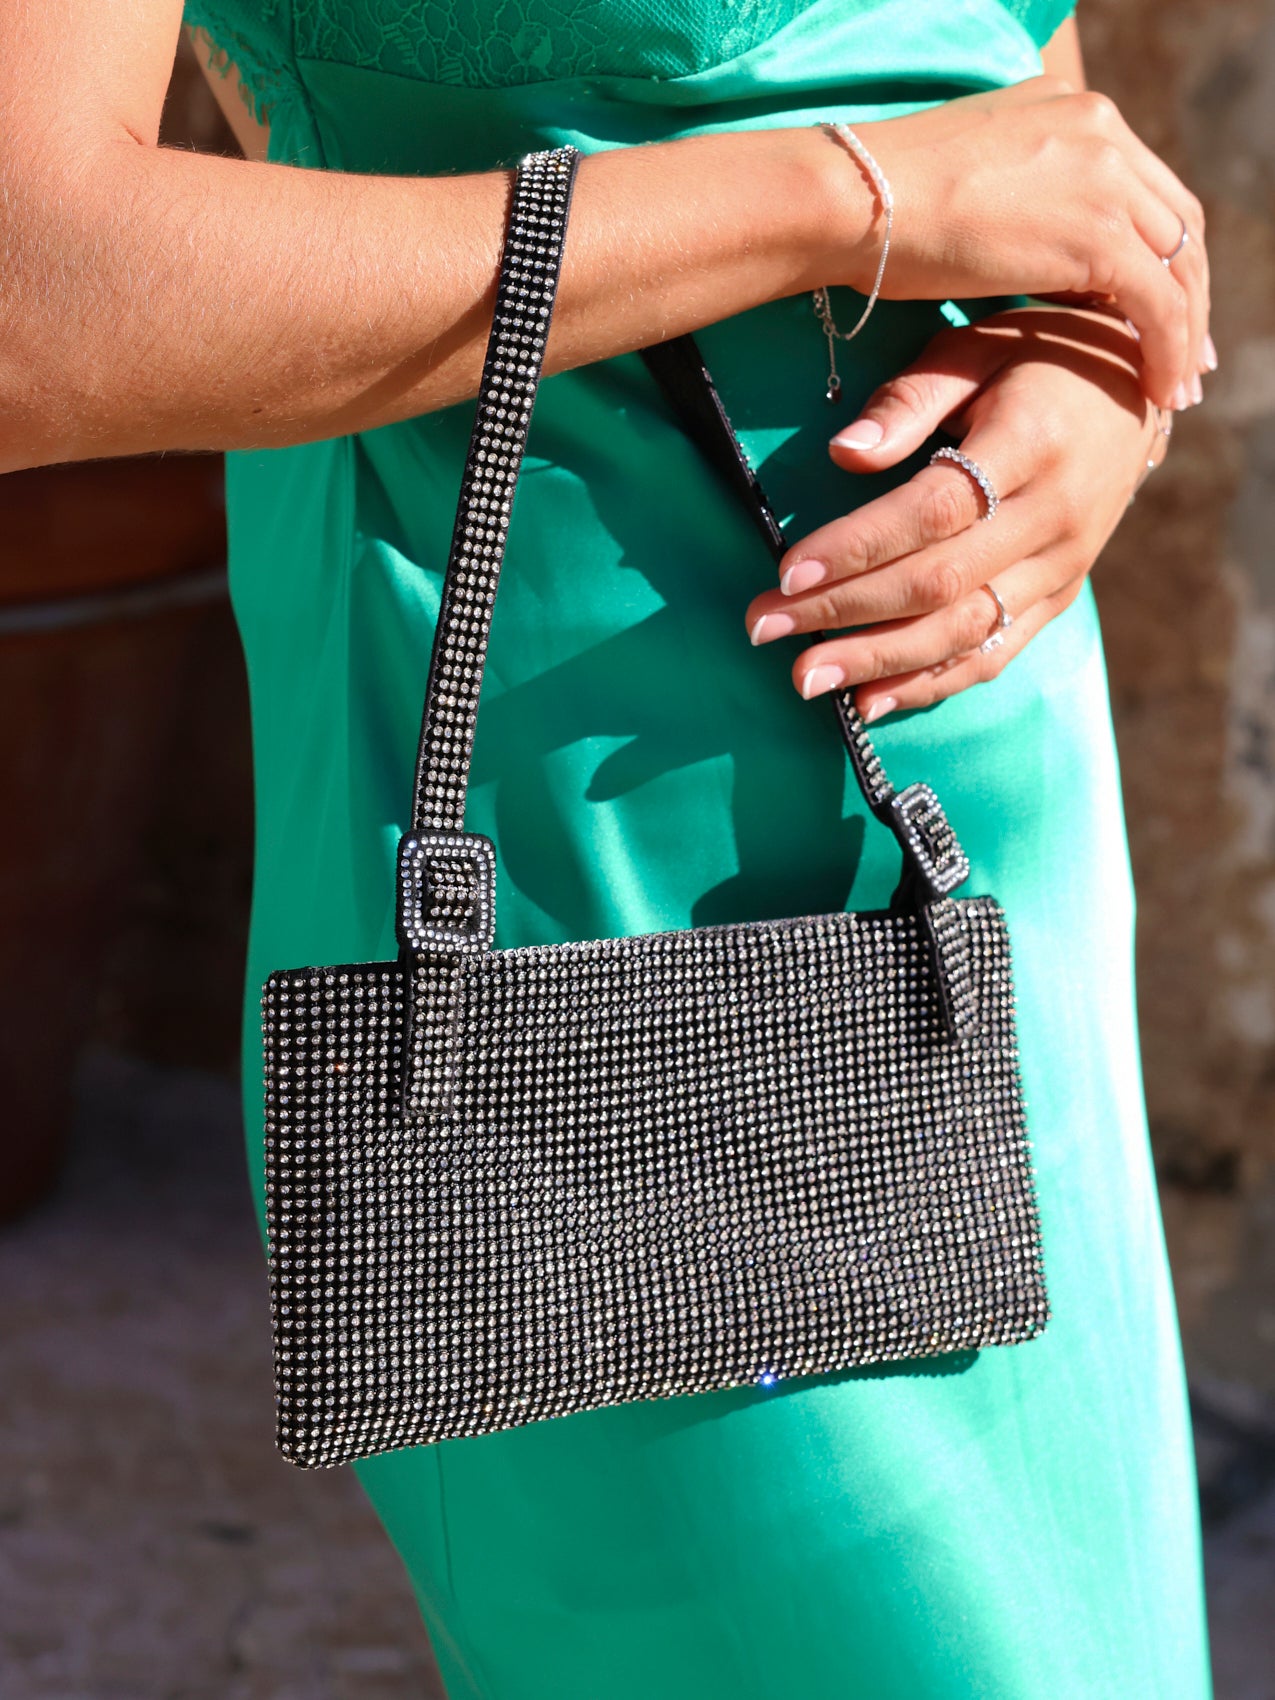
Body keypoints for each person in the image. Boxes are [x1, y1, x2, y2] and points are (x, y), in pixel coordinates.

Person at [2, 2, 1214, 1694]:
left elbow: (1005, 77)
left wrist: (1097, 364)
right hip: (567, 858)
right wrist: (840, 197)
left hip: (981, 815)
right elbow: (31, 288)